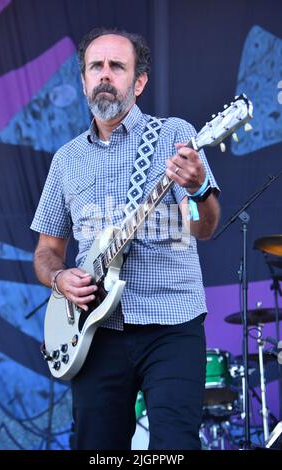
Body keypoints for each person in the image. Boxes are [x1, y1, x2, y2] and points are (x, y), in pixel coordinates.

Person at [31, 27, 220, 450]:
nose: (104, 74)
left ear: (139, 81)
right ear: (83, 80)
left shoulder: (175, 136)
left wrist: (199, 187)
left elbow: (206, 227)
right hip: (96, 333)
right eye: (95, 66)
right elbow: (46, 252)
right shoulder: (66, 161)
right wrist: (61, 280)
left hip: (171, 322)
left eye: (117, 66)